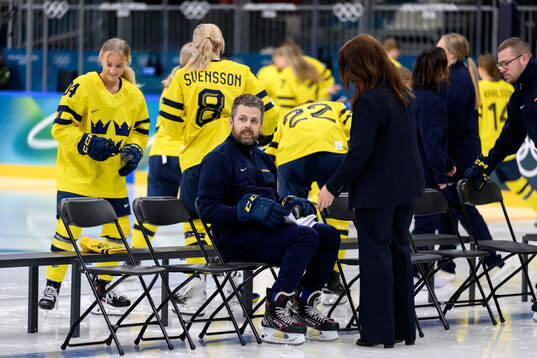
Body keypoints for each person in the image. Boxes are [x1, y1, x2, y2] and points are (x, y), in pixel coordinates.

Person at [197, 94, 341, 345]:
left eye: (254, 121)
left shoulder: (264, 159)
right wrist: (241, 212)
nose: (248, 126)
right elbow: (207, 210)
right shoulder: (216, 159)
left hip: (266, 233)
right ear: (231, 122)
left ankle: (305, 303)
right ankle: (276, 308)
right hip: (234, 239)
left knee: (328, 234)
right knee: (305, 236)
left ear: (261, 125)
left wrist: (288, 204)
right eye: (243, 119)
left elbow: (270, 200)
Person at [158, 24, 280, 311]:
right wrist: (259, 136)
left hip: (196, 162)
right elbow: (271, 117)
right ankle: (240, 287)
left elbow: (170, 125)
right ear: (221, 46)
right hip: (235, 162)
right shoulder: (242, 72)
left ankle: (196, 283)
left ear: (195, 44)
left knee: (196, 225)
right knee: (238, 218)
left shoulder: (183, 76)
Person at [317, 34, 424, 348]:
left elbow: (359, 153)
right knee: (399, 252)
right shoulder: (403, 94)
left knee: (376, 258)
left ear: (359, 66)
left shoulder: (367, 100)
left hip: (378, 193)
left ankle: (378, 333)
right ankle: (403, 329)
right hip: (406, 189)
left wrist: (331, 186)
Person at [38, 38, 149, 312]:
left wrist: (134, 150)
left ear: (127, 63)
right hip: (77, 175)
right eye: (109, 65)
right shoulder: (83, 85)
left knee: (119, 233)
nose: (113, 70)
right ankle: (52, 286)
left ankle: (104, 287)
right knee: (67, 232)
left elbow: (140, 129)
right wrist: (87, 142)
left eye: (119, 66)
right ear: (101, 60)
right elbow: (60, 128)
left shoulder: (134, 94)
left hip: (112, 180)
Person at [465, 37, 537, 317]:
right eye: (498, 64)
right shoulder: (518, 94)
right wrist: (487, 163)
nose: (501, 69)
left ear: (523, 58)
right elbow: (511, 136)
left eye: (505, 63)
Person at [265, 100, 353, 305]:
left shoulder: (287, 116)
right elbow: (356, 127)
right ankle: (331, 277)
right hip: (332, 151)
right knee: (339, 215)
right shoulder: (334, 105)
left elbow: (270, 151)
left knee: (295, 218)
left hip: (292, 157)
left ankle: (294, 279)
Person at [436, 33, 502, 279]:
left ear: (451, 54)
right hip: (461, 152)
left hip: (460, 156)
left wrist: (442, 157)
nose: (435, 52)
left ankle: (491, 258)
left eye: (439, 48)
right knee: (450, 206)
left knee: (461, 207)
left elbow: (448, 123)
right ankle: (446, 263)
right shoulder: (457, 75)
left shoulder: (457, 79)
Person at [477, 53, 537, 222]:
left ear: (481, 69)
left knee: (465, 187)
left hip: (485, 150)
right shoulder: (509, 88)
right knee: (521, 187)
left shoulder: (480, 89)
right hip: (506, 149)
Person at [257, 41, 338, 111]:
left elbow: (285, 103)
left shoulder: (287, 73)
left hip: (302, 113)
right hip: (309, 112)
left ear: (285, 57)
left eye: (276, 57)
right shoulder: (310, 64)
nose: (274, 60)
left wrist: (325, 92)